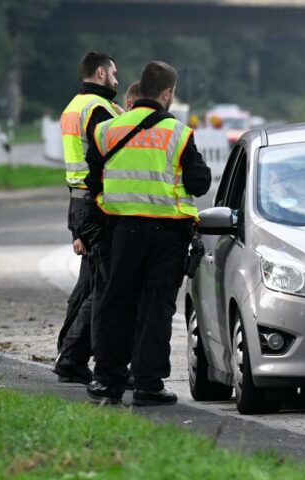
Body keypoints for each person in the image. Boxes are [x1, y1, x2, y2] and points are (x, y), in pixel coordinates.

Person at [87, 60, 211, 405]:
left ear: (139, 90)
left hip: (122, 231)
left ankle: (108, 381)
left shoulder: (108, 130)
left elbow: (91, 179)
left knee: (116, 303)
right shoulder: (178, 133)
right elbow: (199, 183)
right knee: (156, 309)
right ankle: (148, 385)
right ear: (167, 93)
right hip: (168, 235)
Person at [54, 52, 124, 385]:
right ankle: (71, 356)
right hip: (96, 201)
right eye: (113, 72)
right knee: (105, 286)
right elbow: (107, 154)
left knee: (88, 285)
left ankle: (67, 355)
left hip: (78, 200)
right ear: (100, 72)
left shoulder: (73, 106)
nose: (116, 79)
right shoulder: (97, 109)